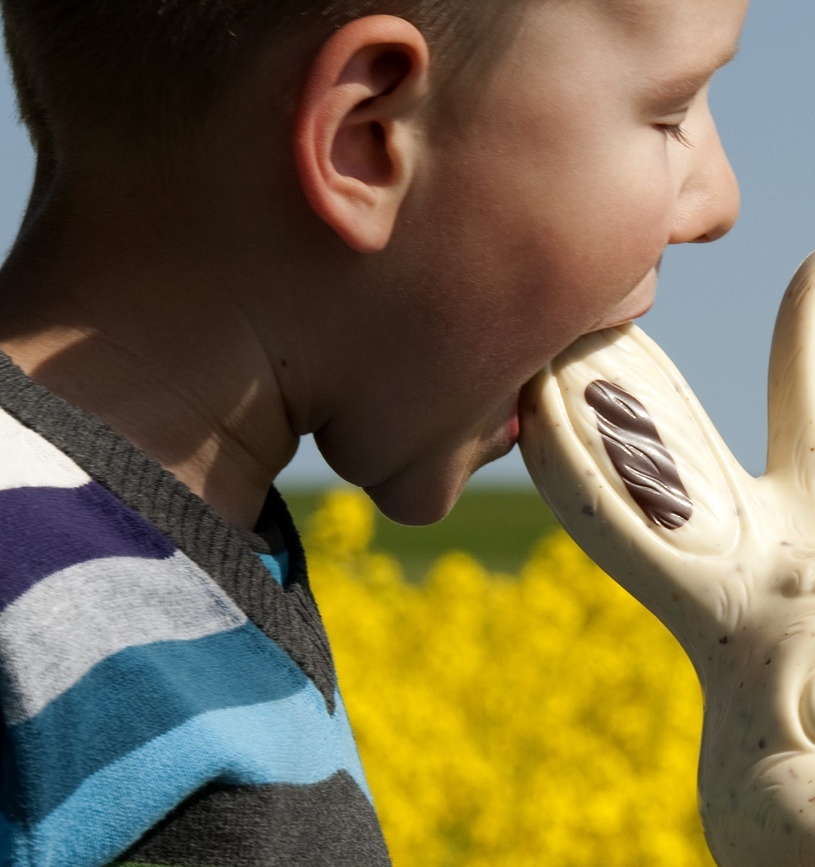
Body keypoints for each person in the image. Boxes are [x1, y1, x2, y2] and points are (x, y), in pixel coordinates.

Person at [0, 0, 746, 862]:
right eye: (671, 113)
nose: (718, 201)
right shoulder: (31, 610)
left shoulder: (165, 570)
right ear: (369, 136)